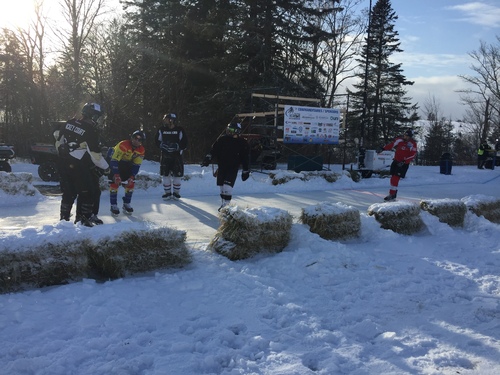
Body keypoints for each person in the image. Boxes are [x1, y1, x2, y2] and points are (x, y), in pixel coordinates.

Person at [54, 102, 108, 226]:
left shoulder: (69, 123)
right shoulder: (90, 130)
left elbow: (58, 142)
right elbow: (95, 154)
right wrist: (106, 167)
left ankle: (64, 219)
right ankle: (82, 219)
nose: (98, 120)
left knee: (68, 192)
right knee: (87, 191)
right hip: (80, 165)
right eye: (97, 117)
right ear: (93, 116)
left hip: (64, 163)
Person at [201, 122, 250, 211]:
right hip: (222, 167)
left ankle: (226, 206)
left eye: (231, 130)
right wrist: (207, 159)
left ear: (237, 131)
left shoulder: (242, 143)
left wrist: (245, 170)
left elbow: (245, 158)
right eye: (228, 129)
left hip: (233, 168)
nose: (228, 131)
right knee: (222, 187)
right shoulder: (222, 139)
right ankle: (224, 204)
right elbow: (213, 150)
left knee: (227, 186)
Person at [108, 130, 146, 216]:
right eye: (135, 138)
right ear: (131, 138)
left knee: (130, 184)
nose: (136, 141)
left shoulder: (141, 150)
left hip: (127, 163)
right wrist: (116, 175)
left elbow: (136, 165)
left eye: (139, 140)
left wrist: (132, 177)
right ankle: (113, 205)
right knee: (114, 183)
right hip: (115, 162)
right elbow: (114, 161)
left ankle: (126, 204)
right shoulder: (123, 144)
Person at [378, 128, 418, 201]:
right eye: (404, 135)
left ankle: (392, 194)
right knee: (392, 177)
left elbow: (413, 154)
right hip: (396, 161)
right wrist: (383, 149)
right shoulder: (400, 140)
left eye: (407, 136)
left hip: (403, 163)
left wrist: (405, 161)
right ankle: (393, 193)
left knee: (396, 178)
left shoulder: (412, 144)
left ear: (410, 137)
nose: (405, 137)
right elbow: (392, 145)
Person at [155, 113, 188, 200]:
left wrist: (177, 146)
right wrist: (162, 145)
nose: (165, 121)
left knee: (177, 175)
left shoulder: (179, 129)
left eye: (166, 119)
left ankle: (176, 193)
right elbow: (157, 141)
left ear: (172, 120)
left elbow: (184, 142)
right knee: (165, 175)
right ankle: (167, 193)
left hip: (177, 156)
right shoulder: (161, 129)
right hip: (165, 155)